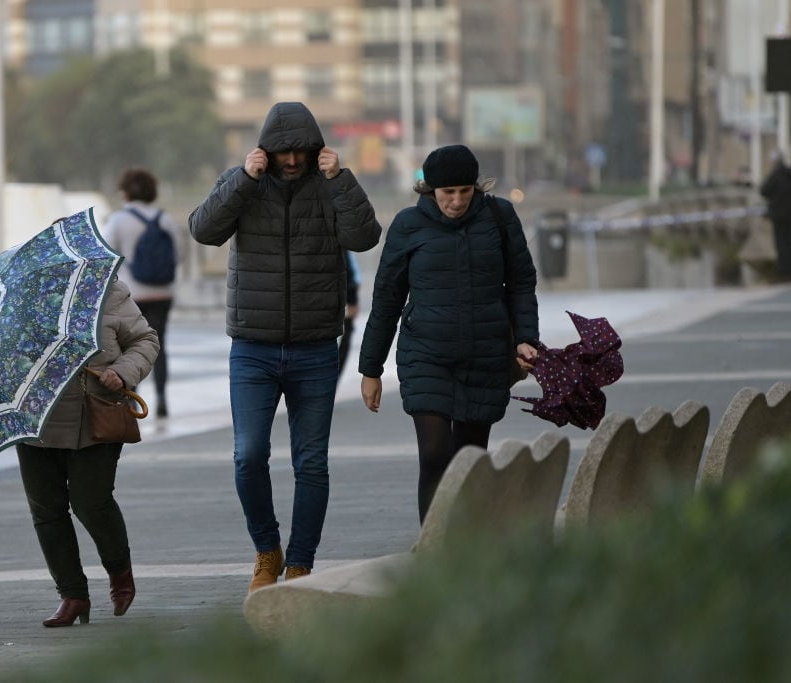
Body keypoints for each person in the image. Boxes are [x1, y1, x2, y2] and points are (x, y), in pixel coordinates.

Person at [189, 101, 382, 592]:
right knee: (248, 455)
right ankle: (267, 549)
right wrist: (243, 180)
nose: (292, 160)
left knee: (310, 462)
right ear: (266, 150)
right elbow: (203, 230)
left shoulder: (329, 184)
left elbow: (364, 236)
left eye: (300, 150)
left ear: (314, 147)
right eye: (282, 152)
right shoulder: (245, 183)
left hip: (316, 347)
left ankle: (300, 563)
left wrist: (342, 179)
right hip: (252, 346)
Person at [357, 144, 539, 524]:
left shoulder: (499, 217)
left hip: (485, 352)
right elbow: (387, 298)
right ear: (430, 190)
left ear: (476, 187)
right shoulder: (408, 225)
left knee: (470, 458)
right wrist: (370, 368)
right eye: (447, 193)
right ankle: (433, 549)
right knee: (436, 452)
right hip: (426, 354)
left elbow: (521, 282)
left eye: (464, 191)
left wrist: (526, 338)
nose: (456, 201)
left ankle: (464, 550)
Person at [16, 279, 159, 627]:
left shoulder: (108, 290)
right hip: (35, 418)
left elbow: (145, 340)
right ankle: (73, 595)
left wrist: (121, 372)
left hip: (97, 414)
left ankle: (120, 574)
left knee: (90, 501)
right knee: (46, 509)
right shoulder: (24, 296)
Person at [102, 167, 184, 417]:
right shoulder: (165, 220)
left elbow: (106, 256)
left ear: (125, 192)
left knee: (129, 349)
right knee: (157, 345)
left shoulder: (118, 220)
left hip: (131, 297)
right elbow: (178, 255)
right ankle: (160, 397)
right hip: (162, 294)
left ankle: (131, 398)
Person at [760, 150, 791, 282]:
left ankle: (785, 272)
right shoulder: (788, 173)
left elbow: (764, 190)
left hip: (779, 216)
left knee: (782, 244)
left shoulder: (776, 175)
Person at [337, 250, 361, 379]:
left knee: (346, 338)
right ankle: (335, 376)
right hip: (346, 293)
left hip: (348, 292)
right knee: (345, 339)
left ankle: (336, 377)